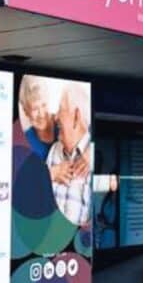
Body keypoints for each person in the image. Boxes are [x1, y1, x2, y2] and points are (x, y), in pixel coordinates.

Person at [46, 86, 92, 225]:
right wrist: (50, 174)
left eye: (60, 109)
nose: (55, 117)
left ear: (76, 117)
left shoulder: (95, 153)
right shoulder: (54, 150)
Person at [19, 76, 57, 161]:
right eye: (35, 109)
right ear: (26, 111)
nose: (41, 114)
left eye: (44, 105)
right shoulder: (25, 141)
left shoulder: (62, 121)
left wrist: (88, 153)